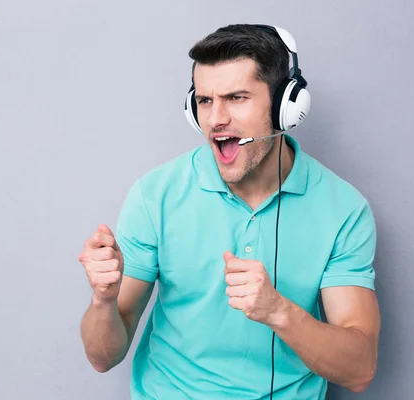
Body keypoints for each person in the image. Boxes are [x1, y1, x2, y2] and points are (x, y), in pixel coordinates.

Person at [78, 23, 380, 399]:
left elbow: (360, 369)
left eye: (236, 98)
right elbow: (102, 358)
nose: (215, 119)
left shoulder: (343, 209)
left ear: (285, 106)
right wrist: (103, 302)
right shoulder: (155, 195)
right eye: (205, 100)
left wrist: (279, 311)